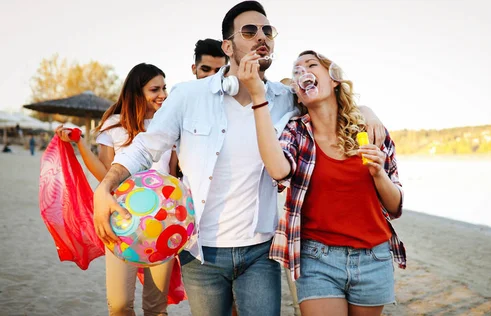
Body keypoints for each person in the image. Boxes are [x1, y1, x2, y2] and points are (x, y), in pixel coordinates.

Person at [93, 2, 385, 315]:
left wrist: (368, 112)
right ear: (228, 46)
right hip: (200, 252)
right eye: (250, 31)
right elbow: (144, 147)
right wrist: (105, 187)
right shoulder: (188, 96)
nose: (262, 37)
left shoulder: (286, 98)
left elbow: (331, 102)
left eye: (267, 31)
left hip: (261, 251)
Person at [238, 50, 406, 316]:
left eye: (311, 64)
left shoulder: (370, 131)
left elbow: (395, 207)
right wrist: (258, 97)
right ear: (299, 91)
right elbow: (279, 171)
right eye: (296, 70)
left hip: (374, 257)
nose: (303, 71)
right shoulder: (296, 132)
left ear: (334, 79)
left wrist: (378, 174)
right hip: (317, 258)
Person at [56, 63, 175, 315]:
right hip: (121, 221)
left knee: (156, 306)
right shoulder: (114, 124)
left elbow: (173, 175)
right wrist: (78, 142)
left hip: (162, 222)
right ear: (136, 92)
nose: (162, 94)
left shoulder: (169, 125)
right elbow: (104, 172)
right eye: (155, 89)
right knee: (119, 305)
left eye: (165, 87)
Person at [170, 38, 229, 178]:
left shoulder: (237, 102)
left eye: (218, 71)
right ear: (194, 68)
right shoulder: (181, 98)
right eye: (205, 69)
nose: (212, 76)